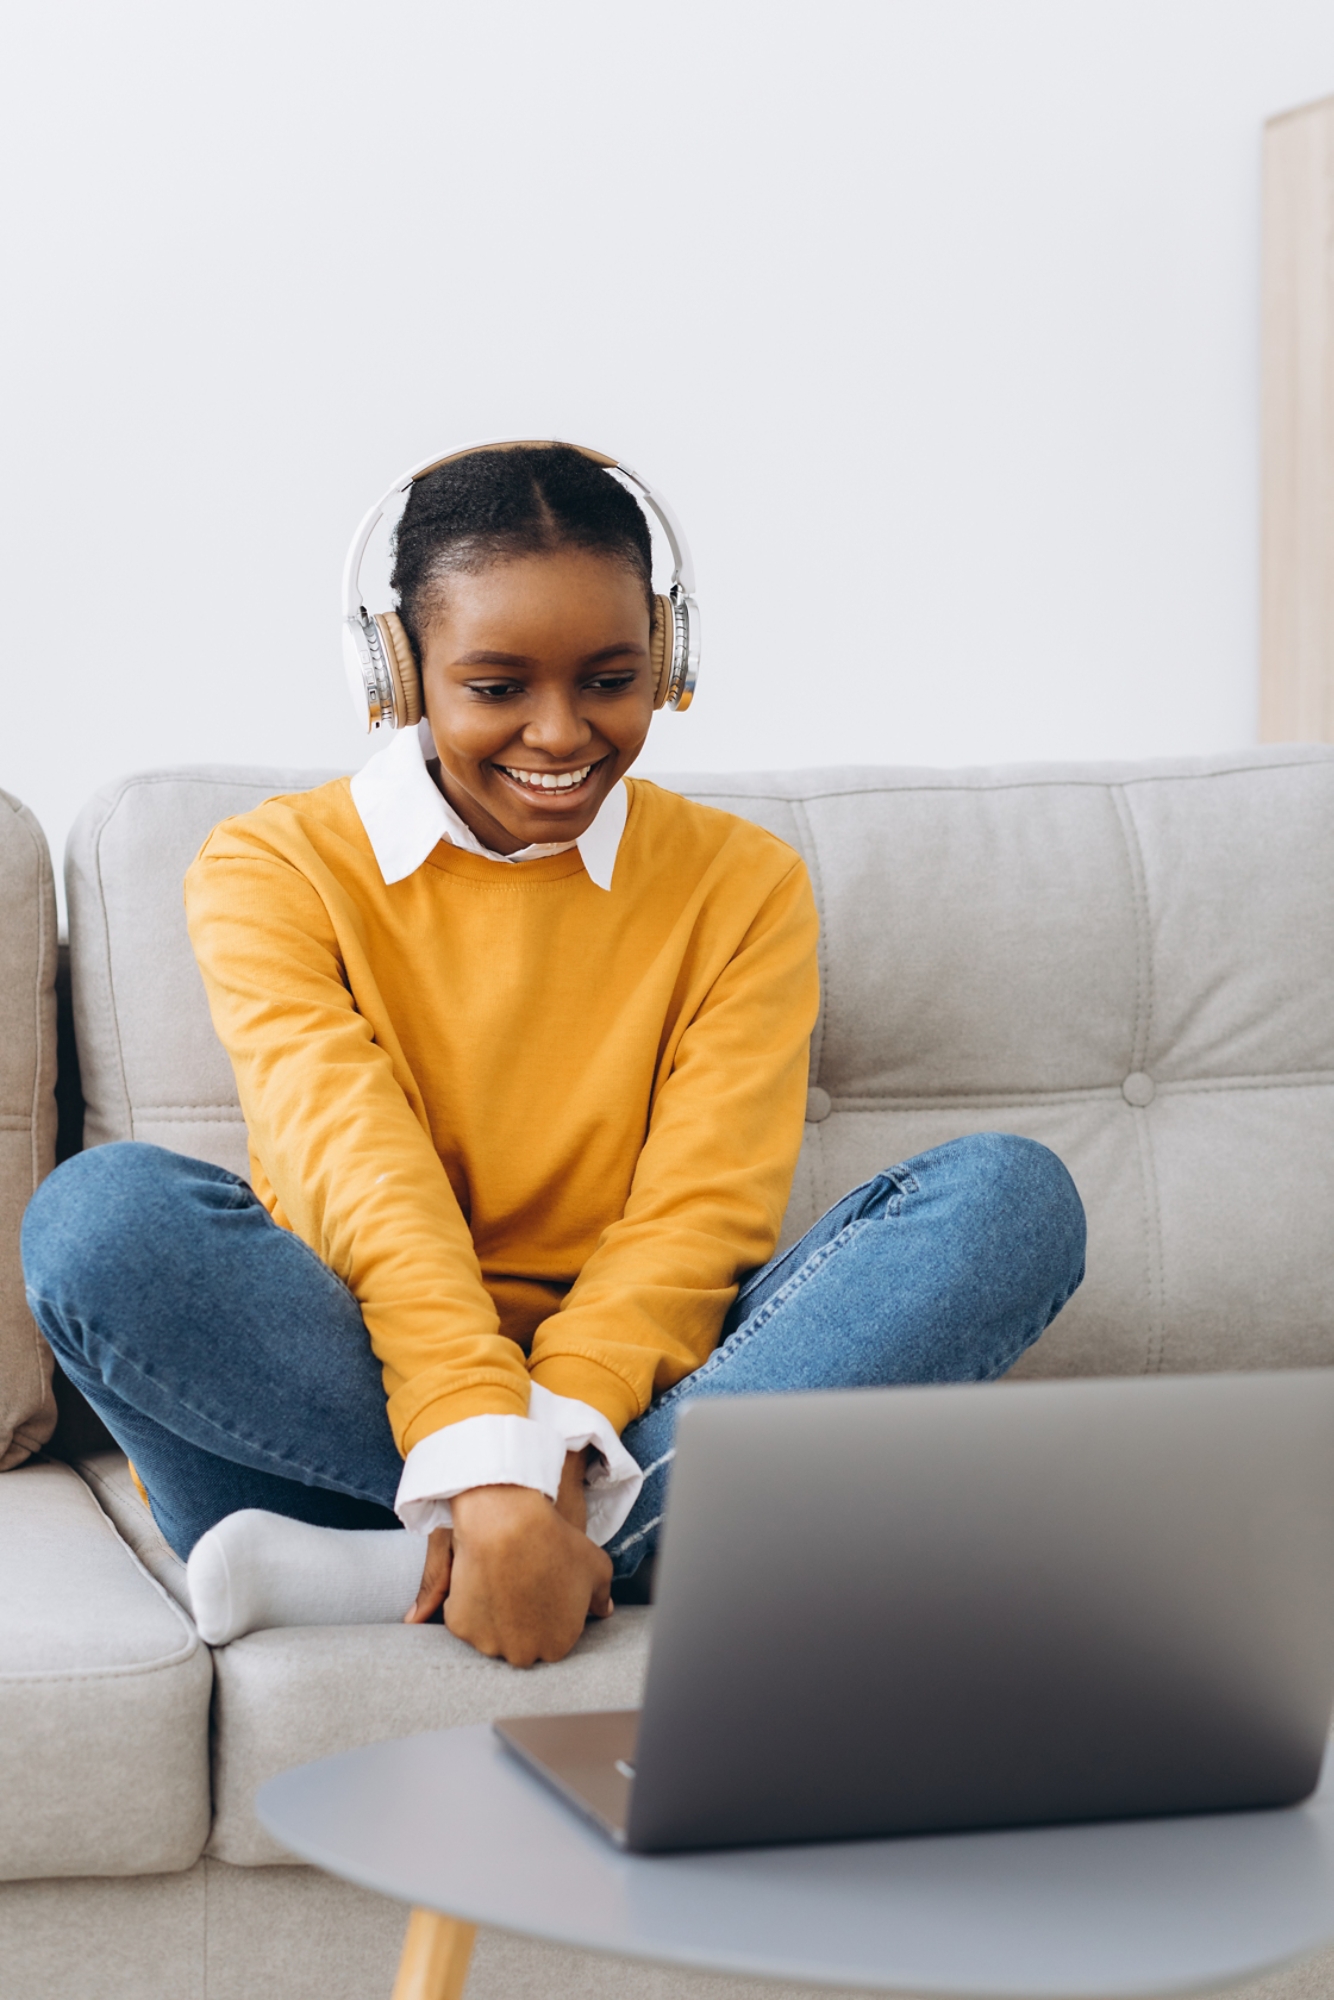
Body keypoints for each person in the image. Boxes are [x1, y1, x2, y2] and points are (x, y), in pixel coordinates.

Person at [21, 443, 1086, 1668]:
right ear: (397, 670)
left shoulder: (740, 884)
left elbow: (699, 1214)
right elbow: (359, 1174)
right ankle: (591, 1541)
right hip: (354, 1379)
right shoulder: (271, 867)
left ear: (668, 661)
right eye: (495, 685)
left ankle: (419, 1561)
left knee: (1009, 1201)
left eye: (610, 678)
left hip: (639, 1399)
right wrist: (483, 1457)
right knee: (99, 1219)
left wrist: (555, 1460)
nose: (560, 731)